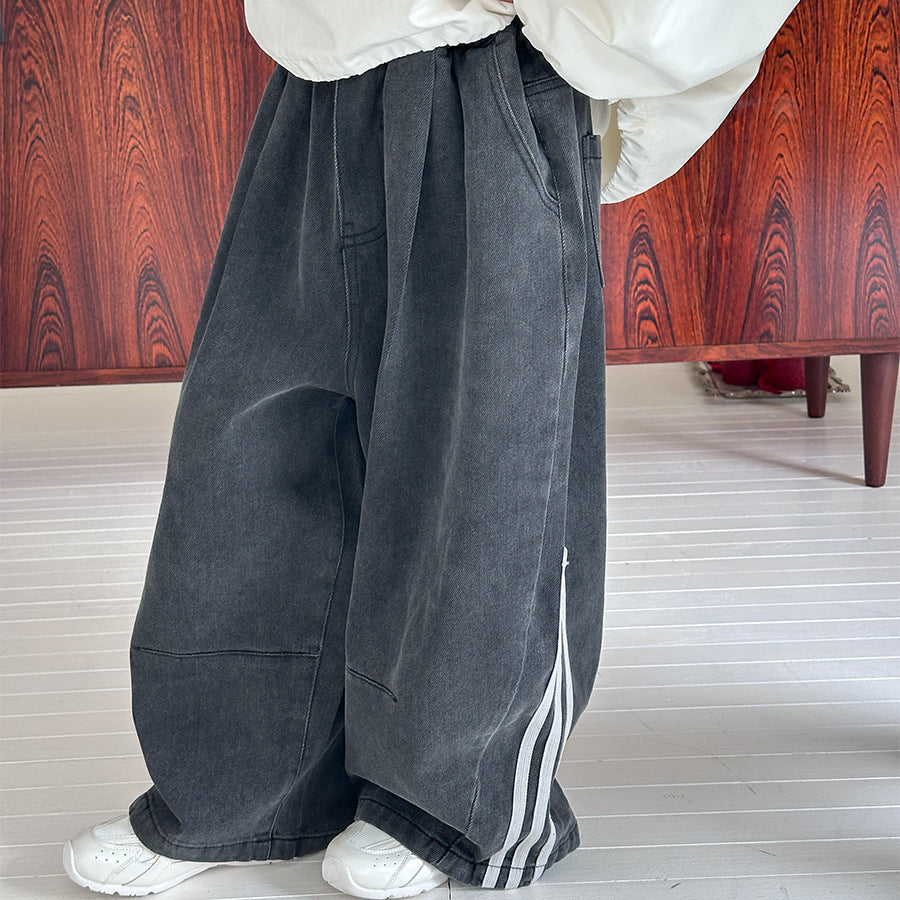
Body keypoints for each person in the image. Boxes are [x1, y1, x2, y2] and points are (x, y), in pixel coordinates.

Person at [62, 2, 798, 897]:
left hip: (491, 65)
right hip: (317, 70)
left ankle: (451, 801)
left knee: (482, 459)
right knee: (255, 440)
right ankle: (239, 785)